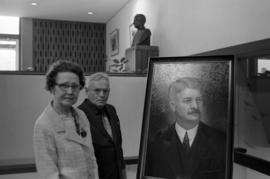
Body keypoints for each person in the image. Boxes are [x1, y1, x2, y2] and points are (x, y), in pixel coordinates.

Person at [146, 77, 226, 179]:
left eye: (198, 100)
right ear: (173, 105)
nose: (195, 106)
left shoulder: (220, 140)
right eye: (188, 100)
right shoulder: (156, 142)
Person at [33, 60, 99, 179]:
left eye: (74, 86)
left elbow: (91, 158)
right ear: (52, 87)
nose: (70, 92)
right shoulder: (43, 125)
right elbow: (48, 174)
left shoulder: (81, 115)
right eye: (64, 86)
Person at [78, 72, 126, 179]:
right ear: (86, 91)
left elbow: (117, 146)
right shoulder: (79, 114)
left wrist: (123, 173)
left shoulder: (111, 110)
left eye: (105, 91)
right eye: (97, 90)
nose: (102, 95)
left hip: (116, 174)